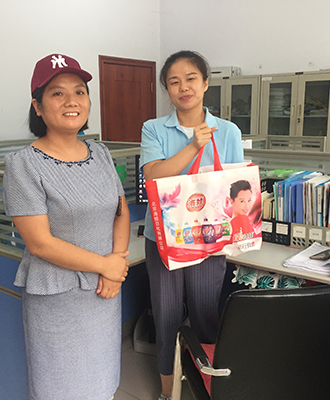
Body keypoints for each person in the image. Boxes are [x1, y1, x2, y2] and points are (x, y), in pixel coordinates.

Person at [2, 54, 130, 400]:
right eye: (57, 93)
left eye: (79, 91)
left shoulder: (100, 153)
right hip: (57, 297)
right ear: (38, 106)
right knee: (61, 386)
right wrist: (106, 266)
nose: (72, 101)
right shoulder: (22, 165)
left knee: (103, 381)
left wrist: (116, 263)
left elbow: (120, 211)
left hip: (105, 290)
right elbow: (40, 243)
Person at [140, 50, 244, 400]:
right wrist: (193, 145)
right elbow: (153, 176)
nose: (183, 87)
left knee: (205, 313)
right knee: (166, 316)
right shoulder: (153, 128)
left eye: (191, 79)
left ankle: (210, 387)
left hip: (209, 239)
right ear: (167, 89)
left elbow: (235, 185)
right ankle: (167, 393)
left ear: (205, 83)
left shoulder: (227, 131)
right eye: (174, 82)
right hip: (164, 240)